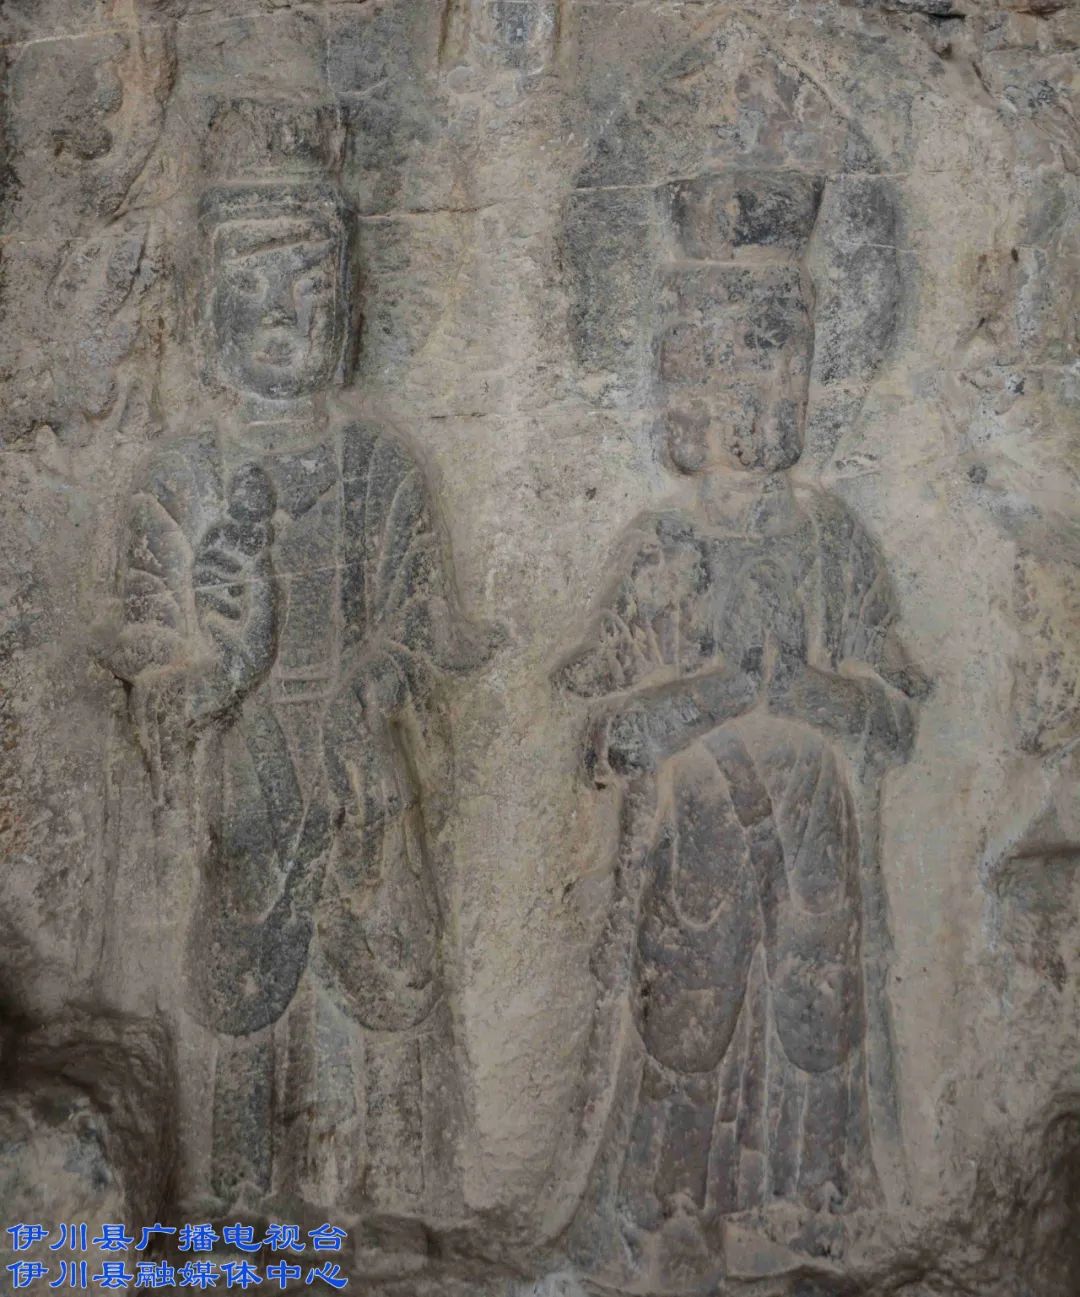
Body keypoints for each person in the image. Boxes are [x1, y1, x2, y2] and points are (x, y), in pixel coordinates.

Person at [99, 100, 497, 1223]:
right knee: (239, 1024)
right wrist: (229, 667)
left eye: (311, 283)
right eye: (255, 282)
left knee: (372, 1022)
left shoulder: (382, 466)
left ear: (349, 300)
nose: (284, 312)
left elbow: (424, 626)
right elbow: (146, 687)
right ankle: (233, 1215)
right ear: (206, 302)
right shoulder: (178, 480)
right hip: (242, 782)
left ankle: (385, 1215)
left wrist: (377, 681)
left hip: (361, 777)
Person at [555, 168, 927, 1259]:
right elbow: (600, 739)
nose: (761, 402)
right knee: (682, 1030)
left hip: (814, 850)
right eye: (733, 372)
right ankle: (664, 1214)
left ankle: (811, 1206)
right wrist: (707, 697)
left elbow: (896, 723)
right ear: (682, 383)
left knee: (814, 1036)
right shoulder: (663, 549)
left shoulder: (833, 542)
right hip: (695, 844)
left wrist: (809, 693)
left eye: (783, 370)